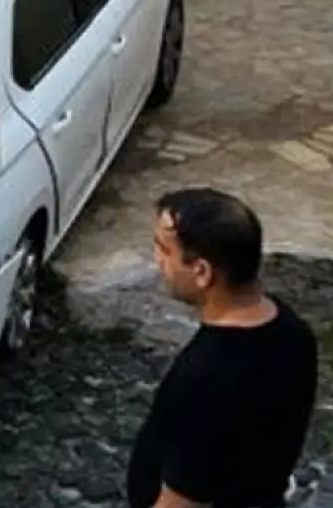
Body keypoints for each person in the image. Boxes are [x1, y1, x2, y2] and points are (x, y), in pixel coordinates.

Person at [126, 187, 318, 508]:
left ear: (202, 272)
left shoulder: (208, 378)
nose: (157, 259)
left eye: (164, 249)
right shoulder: (294, 332)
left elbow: (183, 501)